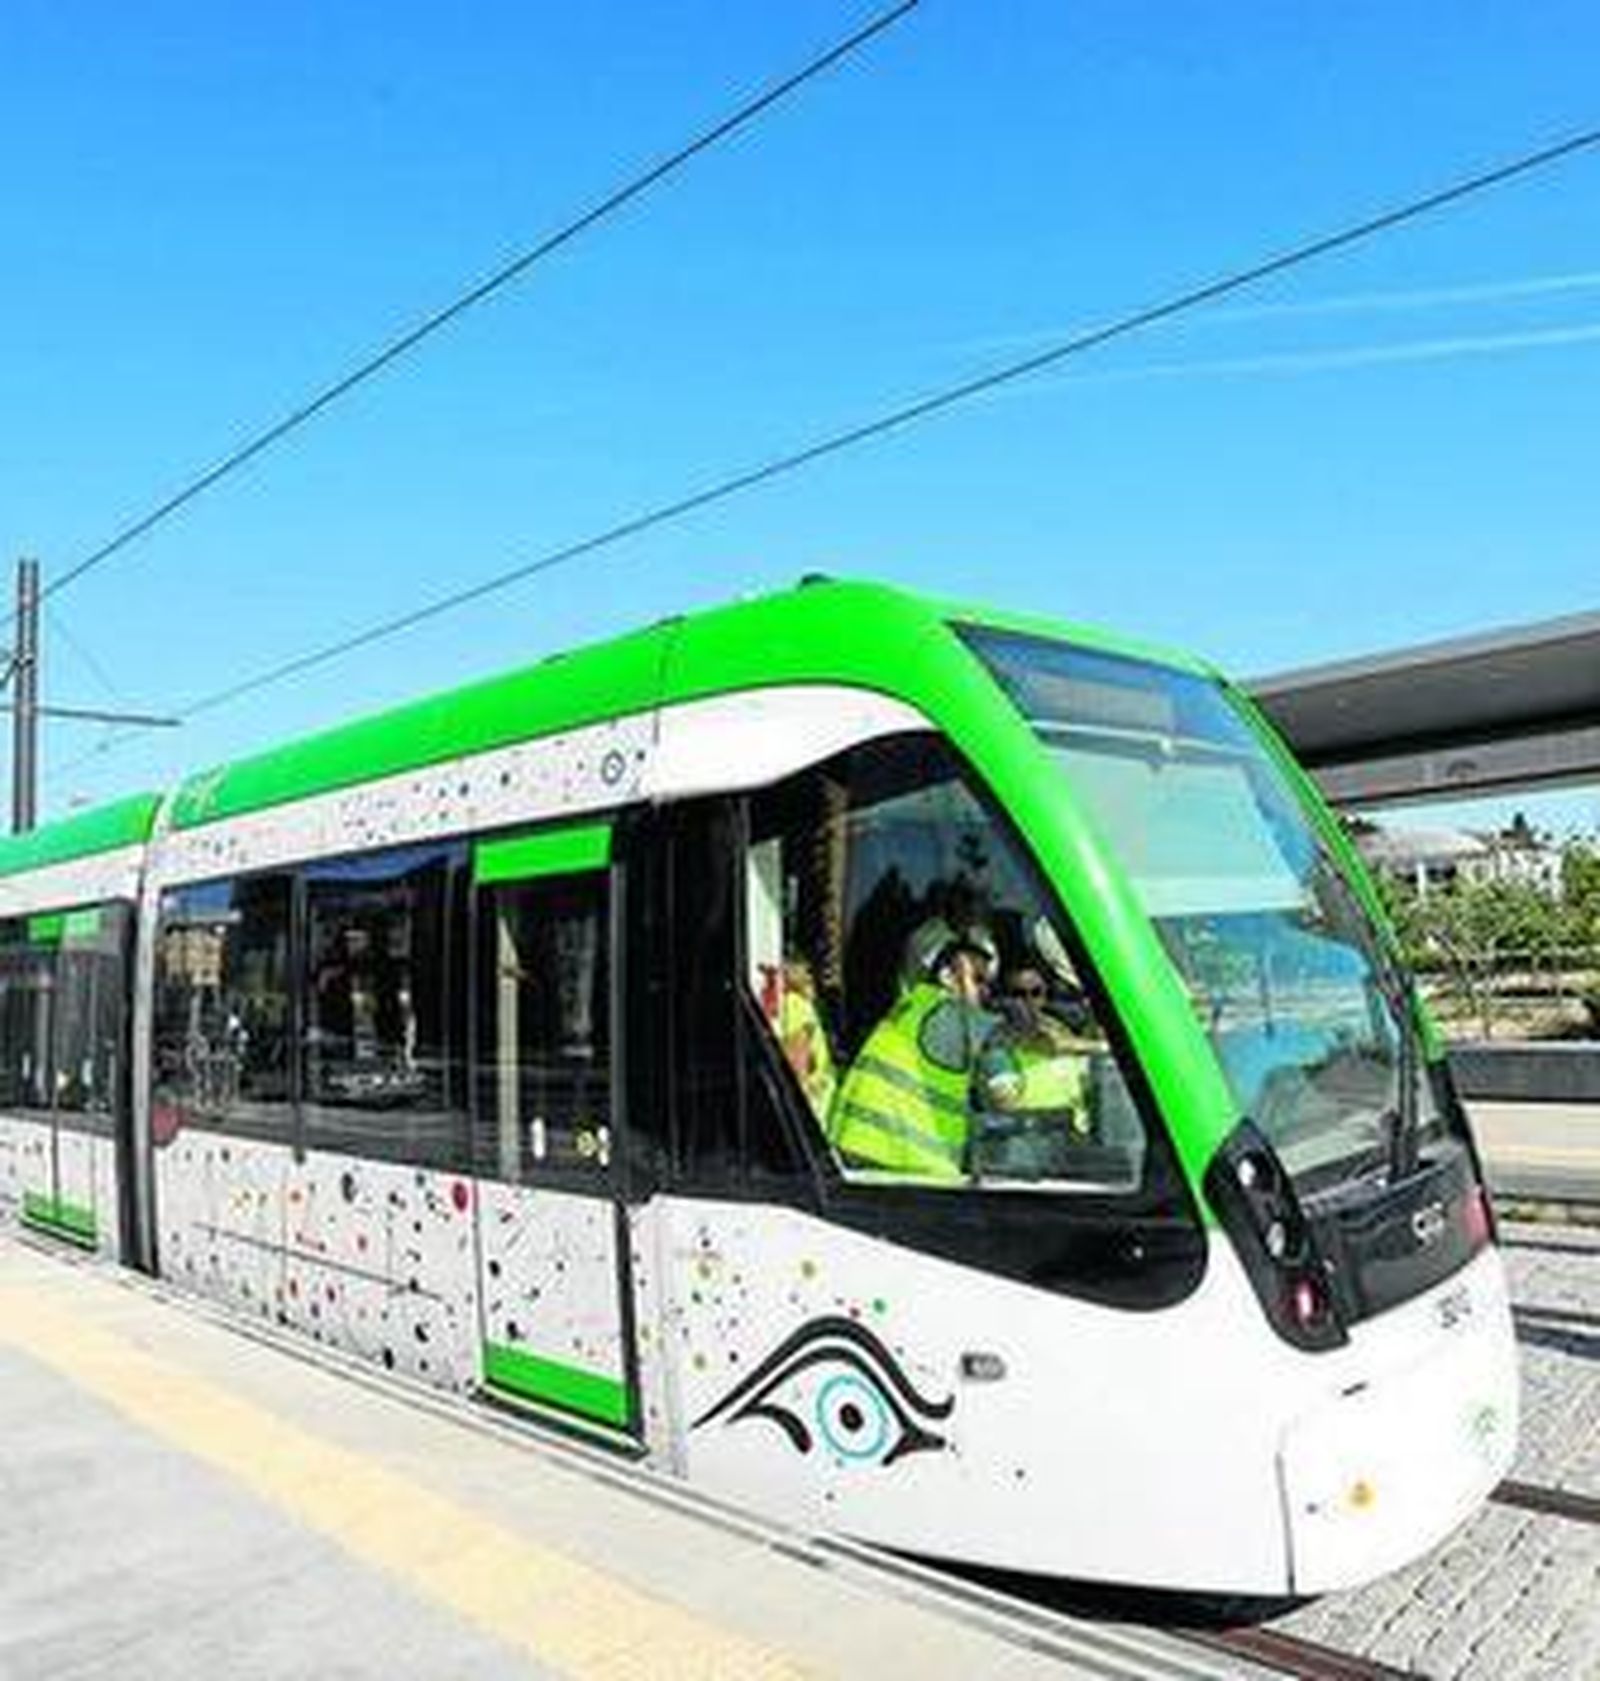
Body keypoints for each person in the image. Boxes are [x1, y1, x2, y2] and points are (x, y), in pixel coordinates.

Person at [828, 918, 999, 1180]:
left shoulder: (912, 1006)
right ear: (946, 977)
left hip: (863, 1151)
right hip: (905, 1166)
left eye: (989, 983)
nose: (986, 992)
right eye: (978, 979)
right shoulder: (949, 1014)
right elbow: (1005, 1071)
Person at [977, 964, 1094, 1164]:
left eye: (1036, 993)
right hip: (1022, 1156)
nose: (1028, 1001)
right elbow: (1003, 1100)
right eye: (1019, 994)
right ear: (1006, 999)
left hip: (1074, 1152)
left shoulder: (1060, 1032)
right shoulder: (996, 1042)